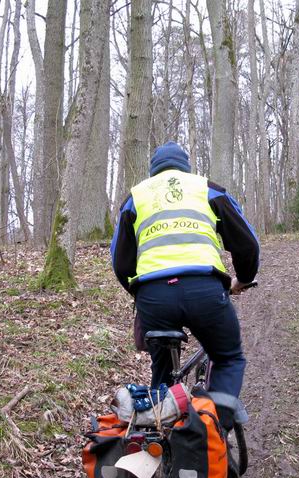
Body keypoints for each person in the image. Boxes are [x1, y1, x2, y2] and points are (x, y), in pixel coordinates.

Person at [110, 141, 260, 436]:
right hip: (204, 288)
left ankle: (159, 431)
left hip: (154, 296)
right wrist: (242, 277)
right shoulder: (207, 189)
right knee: (228, 357)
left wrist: (140, 295)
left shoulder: (135, 197)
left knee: (163, 369)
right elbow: (247, 243)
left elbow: (120, 262)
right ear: (185, 167)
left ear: (153, 171)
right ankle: (214, 432)